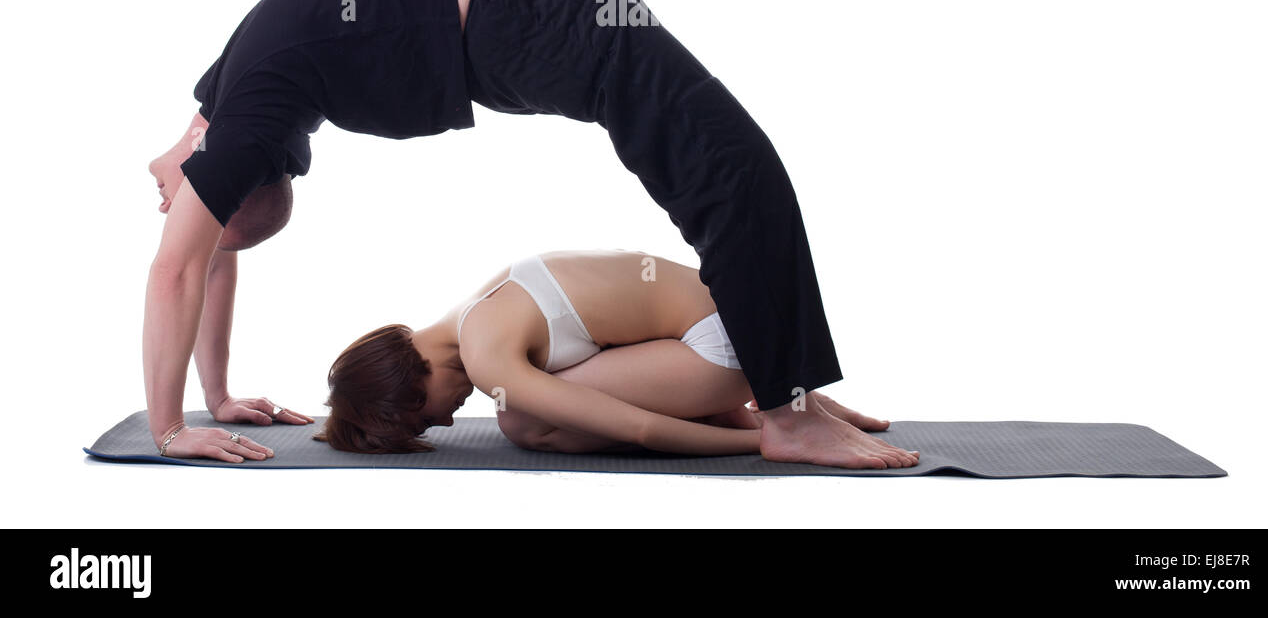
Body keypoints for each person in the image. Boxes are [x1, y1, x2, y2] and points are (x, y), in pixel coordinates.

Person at [144, 0, 914, 469]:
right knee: (726, 164)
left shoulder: (241, 119)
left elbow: (180, 267)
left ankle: (786, 410)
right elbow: (206, 259)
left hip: (528, 10)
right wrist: (214, 393)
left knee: (730, 167)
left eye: (192, 207)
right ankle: (790, 391)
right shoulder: (234, 99)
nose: (171, 206)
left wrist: (171, 428)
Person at [315, 249, 918, 467]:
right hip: (740, 324)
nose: (446, 423)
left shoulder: (487, 354)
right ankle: (785, 391)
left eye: (425, 419)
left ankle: (782, 415)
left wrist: (766, 441)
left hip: (721, 349)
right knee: (539, 401)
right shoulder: (477, 305)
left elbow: (639, 426)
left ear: (409, 391)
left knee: (524, 422)